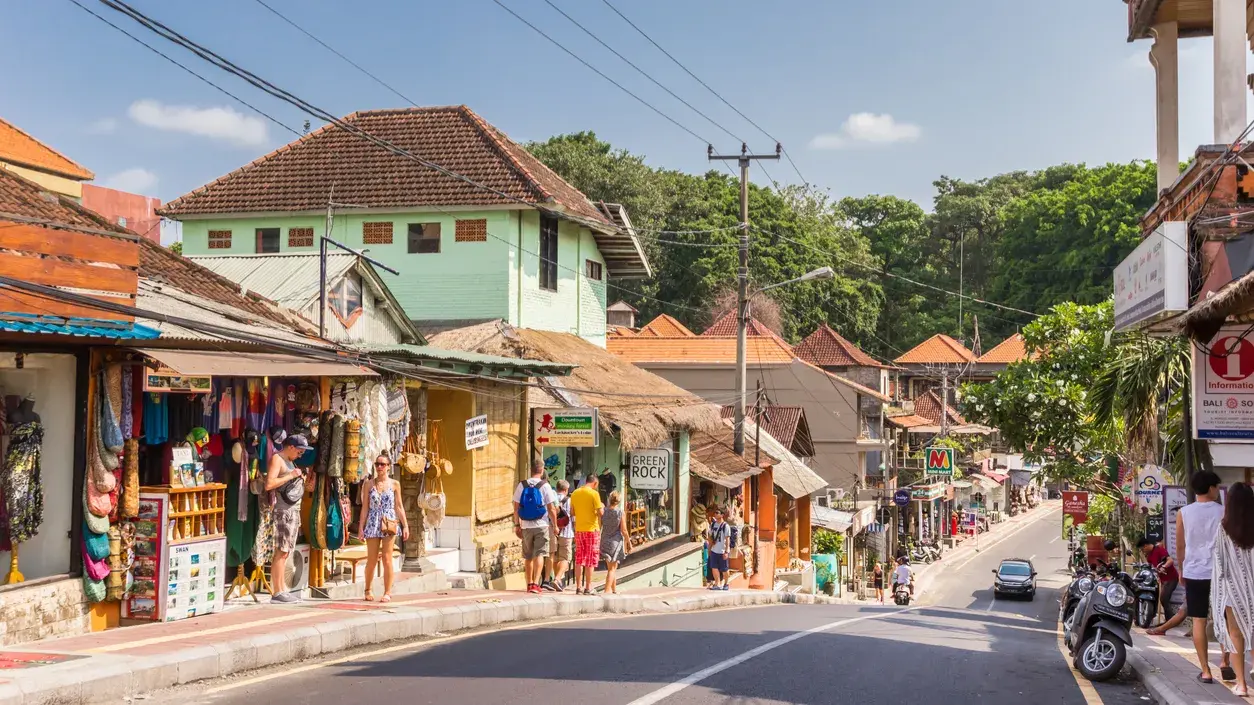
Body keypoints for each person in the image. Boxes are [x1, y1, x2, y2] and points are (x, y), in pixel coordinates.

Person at [1162, 470, 1229, 684]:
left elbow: (1180, 545)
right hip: (1221, 572)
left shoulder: (1184, 512)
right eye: (1217, 487)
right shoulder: (1223, 512)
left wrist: (1182, 569)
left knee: (1198, 620)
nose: (1218, 491)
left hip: (1195, 572)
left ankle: (1206, 670)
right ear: (1210, 488)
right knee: (1225, 619)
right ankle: (1226, 662)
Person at [1213, 482, 1254, 697]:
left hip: (1233, 591)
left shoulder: (1224, 528)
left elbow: (1220, 563)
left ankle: (1242, 684)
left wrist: (1219, 592)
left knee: (1236, 635)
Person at [264, 434, 312, 603]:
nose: (300, 455)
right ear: (291, 446)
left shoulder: (291, 462)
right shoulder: (278, 459)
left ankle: (282, 589)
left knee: (286, 552)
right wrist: (291, 475)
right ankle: (277, 592)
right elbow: (269, 484)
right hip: (283, 511)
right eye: (299, 451)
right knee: (282, 550)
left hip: (292, 510)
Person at [356, 454, 407, 603]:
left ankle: (387, 591)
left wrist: (405, 526)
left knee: (387, 558)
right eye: (377, 464)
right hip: (373, 521)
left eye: (383, 464)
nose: (379, 467)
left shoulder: (394, 484)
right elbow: (365, 508)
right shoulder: (368, 484)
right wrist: (361, 528)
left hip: (389, 522)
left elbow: (399, 506)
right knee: (371, 559)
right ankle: (368, 589)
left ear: (388, 466)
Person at [513, 460, 559, 594]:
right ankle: (536, 584)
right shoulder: (545, 486)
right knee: (539, 554)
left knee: (528, 556)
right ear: (542, 470)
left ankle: (529, 584)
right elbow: (551, 508)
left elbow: (516, 507)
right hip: (542, 525)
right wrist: (555, 525)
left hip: (526, 525)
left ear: (531, 469)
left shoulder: (522, 485)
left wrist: (517, 525)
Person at [570, 473, 604, 595]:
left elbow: (572, 512)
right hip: (591, 530)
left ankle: (578, 587)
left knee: (579, 558)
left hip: (579, 529)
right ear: (594, 483)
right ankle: (588, 587)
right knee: (590, 559)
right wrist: (600, 508)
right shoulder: (594, 494)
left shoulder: (574, 493)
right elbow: (601, 513)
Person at [542, 479, 574, 592]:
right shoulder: (570, 501)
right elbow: (573, 518)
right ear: (566, 490)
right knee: (565, 558)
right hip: (566, 533)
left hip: (553, 531)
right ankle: (557, 579)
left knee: (555, 557)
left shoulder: (551, 498)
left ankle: (557, 581)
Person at [1138, 537, 1179, 625]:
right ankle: (1165, 619)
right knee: (1160, 598)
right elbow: (1151, 566)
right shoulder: (1149, 556)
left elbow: (1170, 561)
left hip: (1171, 579)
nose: (1143, 551)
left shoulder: (1159, 550)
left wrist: (1164, 567)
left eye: (1142, 549)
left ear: (1145, 546)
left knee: (1164, 599)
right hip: (1162, 580)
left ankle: (1170, 621)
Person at [600, 492, 630, 594]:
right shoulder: (620, 512)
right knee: (612, 569)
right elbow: (624, 530)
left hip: (604, 540)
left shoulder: (604, 511)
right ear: (619, 501)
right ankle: (607, 590)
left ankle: (614, 590)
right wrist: (629, 542)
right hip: (615, 542)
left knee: (611, 567)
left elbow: (600, 526)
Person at [705, 506, 733, 590]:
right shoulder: (713, 524)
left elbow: (727, 539)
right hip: (714, 550)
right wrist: (709, 548)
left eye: (717, 513)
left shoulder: (725, 526)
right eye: (715, 512)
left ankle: (726, 583)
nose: (715, 514)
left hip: (722, 551)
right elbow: (710, 536)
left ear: (722, 515)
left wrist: (726, 551)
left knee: (724, 569)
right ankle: (717, 584)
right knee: (714, 567)